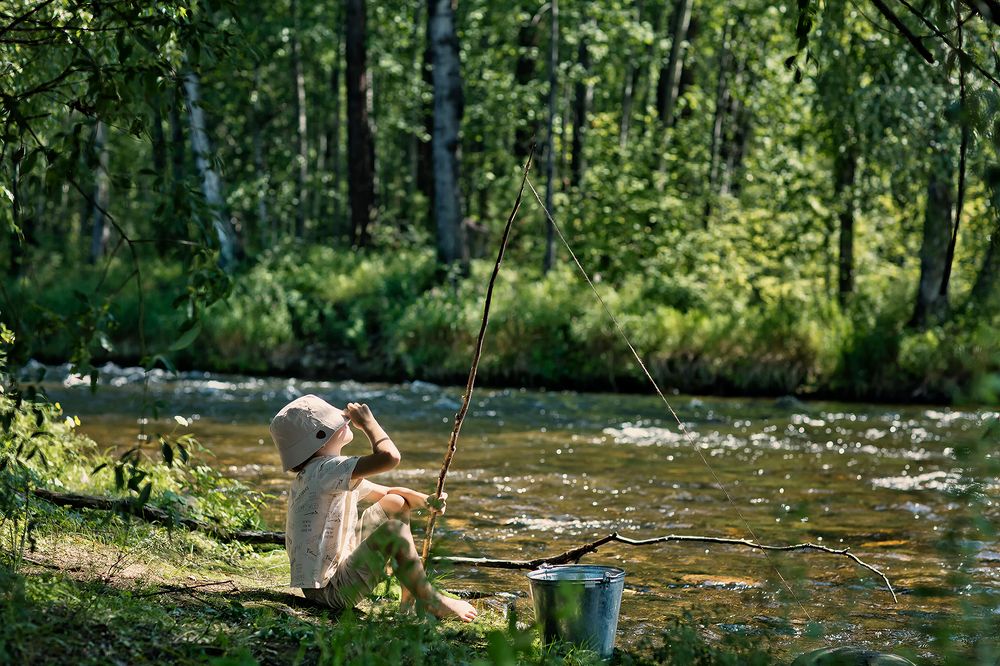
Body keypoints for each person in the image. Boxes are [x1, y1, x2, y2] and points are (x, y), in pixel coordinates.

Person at [270, 393, 477, 622]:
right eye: (336, 422)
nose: (345, 420)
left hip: (334, 578)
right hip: (331, 592)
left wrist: (426, 502)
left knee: (395, 503)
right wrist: (369, 424)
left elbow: (388, 494)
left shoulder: (320, 472)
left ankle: (410, 592)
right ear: (320, 436)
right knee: (393, 532)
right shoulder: (326, 470)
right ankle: (429, 599)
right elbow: (390, 457)